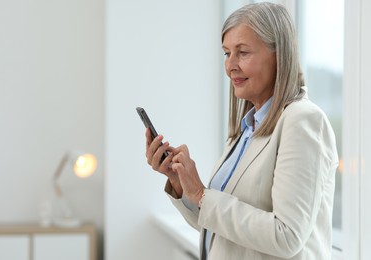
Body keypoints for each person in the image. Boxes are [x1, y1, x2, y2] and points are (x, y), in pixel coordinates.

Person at [144, 2, 338, 260]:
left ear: (279, 55)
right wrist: (183, 186)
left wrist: (202, 194)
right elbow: (218, 227)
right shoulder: (247, 129)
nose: (230, 65)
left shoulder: (302, 121)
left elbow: (287, 236)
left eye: (242, 52)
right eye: (226, 53)